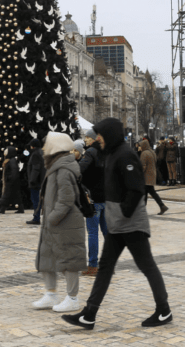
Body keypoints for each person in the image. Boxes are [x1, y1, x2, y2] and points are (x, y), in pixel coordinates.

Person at [62, 118, 173, 330]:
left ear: (110, 134)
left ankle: (164, 310)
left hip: (131, 225)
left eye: (101, 134)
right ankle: (89, 314)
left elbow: (136, 189)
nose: (98, 138)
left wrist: (124, 213)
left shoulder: (126, 155)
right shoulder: (112, 153)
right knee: (105, 268)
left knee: (146, 265)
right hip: (118, 224)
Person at [33, 132, 87, 313]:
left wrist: (52, 217)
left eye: (46, 145)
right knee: (47, 256)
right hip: (54, 223)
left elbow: (66, 199)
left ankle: (73, 298)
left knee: (69, 259)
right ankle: (51, 293)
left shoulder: (63, 169)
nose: (43, 149)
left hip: (65, 222)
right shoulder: (55, 166)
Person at [79, 128, 108, 276]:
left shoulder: (90, 152)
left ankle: (92, 266)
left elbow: (80, 170)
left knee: (92, 233)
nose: (85, 140)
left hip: (94, 198)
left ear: (93, 139)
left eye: (87, 138)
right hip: (106, 198)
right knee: (107, 232)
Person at [139, 138, 168, 215]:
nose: (140, 147)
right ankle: (161, 206)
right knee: (148, 192)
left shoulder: (144, 153)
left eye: (141, 146)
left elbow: (143, 166)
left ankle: (161, 206)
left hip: (146, 176)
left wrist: (139, 174)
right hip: (152, 174)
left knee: (149, 192)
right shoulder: (152, 152)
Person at [0, 146, 24, 214]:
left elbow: (14, 171)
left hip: (11, 181)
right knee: (16, 195)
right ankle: (21, 208)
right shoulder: (11, 160)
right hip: (13, 181)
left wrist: (9, 178)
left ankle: (2, 209)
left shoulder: (12, 161)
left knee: (6, 194)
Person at [26, 138, 45, 225]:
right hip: (41, 180)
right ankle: (36, 217)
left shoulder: (35, 154)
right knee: (38, 200)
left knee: (36, 200)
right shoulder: (41, 152)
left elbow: (35, 169)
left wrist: (32, 180)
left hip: (35, 182)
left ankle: (36, 218)